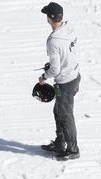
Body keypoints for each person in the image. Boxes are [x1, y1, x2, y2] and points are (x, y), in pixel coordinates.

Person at [39, 2, 81, 161]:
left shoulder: (53, 41)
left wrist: (44, 77)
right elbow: (68, 51)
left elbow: (55, 70)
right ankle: (60, 143)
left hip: (65, 82)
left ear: (50, 18)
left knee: (65, 115)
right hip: (75, 75)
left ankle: (73, 150)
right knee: (59, 112)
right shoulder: (69, 28)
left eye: (47, 16)